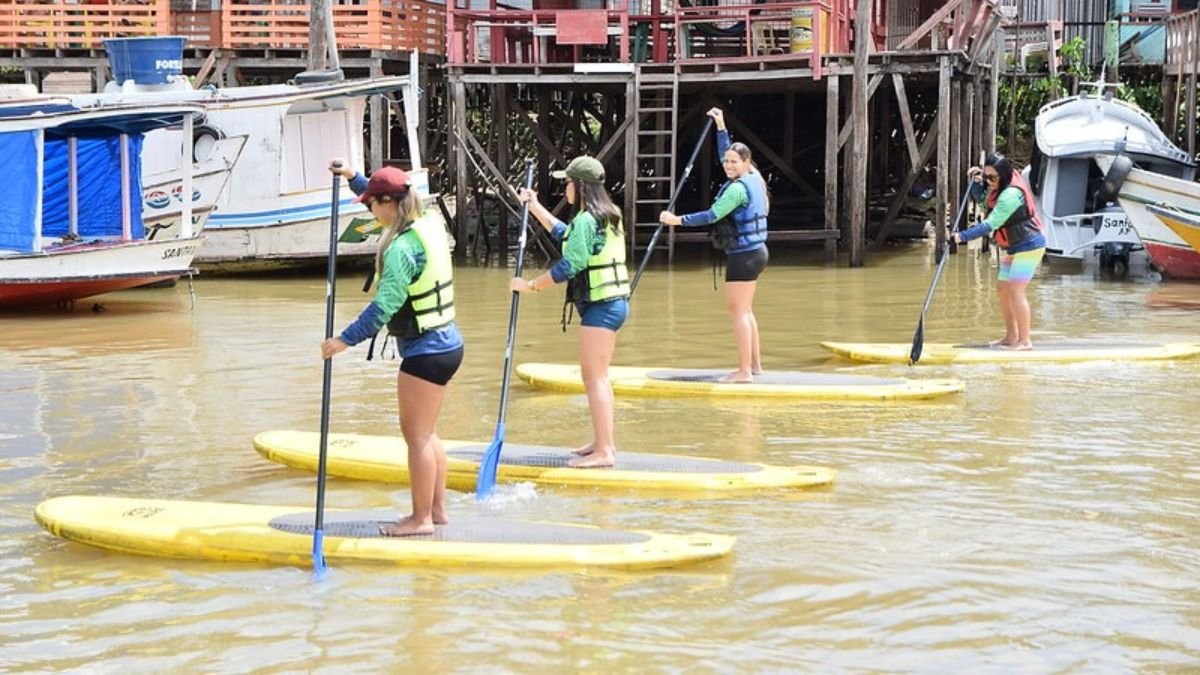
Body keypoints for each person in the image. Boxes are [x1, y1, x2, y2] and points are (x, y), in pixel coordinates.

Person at [321, 162, 464, 536]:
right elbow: (389, 188)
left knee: (416, 437)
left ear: (389, 203)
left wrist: (344, 340)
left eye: (372, 205)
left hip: (426, 352)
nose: (370, 211)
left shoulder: (401, 249)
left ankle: (420, 520)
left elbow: (383, 307)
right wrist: (354, 177)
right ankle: (438, 511)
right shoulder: (428, 219)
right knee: (428, 433)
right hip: (448, 344)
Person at [511, 156, 630, 469]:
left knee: (595, 378)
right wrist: (534, 206)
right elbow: (564, 232)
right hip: (611, 304)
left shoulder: (586, 221)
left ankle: (605, 451)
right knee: (596, 377)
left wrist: (531, 286)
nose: (564, 187)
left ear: (580, 186)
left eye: (567, 182)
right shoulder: (607, 215)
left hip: (602, 307)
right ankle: (603, 442)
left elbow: (570, 265)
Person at [658, 107, 769, 383]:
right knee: (746, 311)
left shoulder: (736, 190)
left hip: (744, 256)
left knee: (738, 313)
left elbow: (711, 215)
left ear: (746, 162)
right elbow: (725, 152)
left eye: (734, 162)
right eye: (727, 161)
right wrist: (721, 127)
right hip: (757, 252)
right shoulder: (754, 177)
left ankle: (744, 372)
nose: (728, 165)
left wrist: (676, 220)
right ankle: (755, 366)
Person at [955, 152, 1047, 351]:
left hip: (1030, 246)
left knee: (1015, 289)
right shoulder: (998, 186)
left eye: (992, 178)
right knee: (1002, 289)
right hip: (1015, 247)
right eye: (986, 177)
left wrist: (962, 236)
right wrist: (976, 182)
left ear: (1004, 175)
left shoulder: (1011, 195)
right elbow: (981, 200)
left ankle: (1024, 341)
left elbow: (991, 223)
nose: (989, 181)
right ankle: (1011, 336)